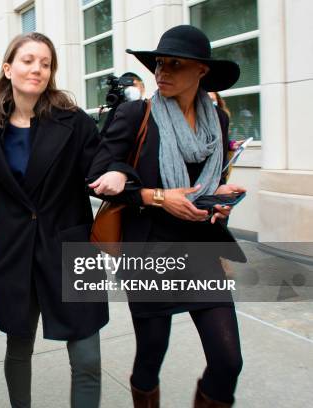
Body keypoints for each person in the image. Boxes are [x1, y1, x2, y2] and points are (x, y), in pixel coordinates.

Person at [88, 25, 246, 407]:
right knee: (151, 355)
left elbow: (207, 183)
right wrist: (158, 196)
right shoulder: (135, 114)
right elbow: (96, 174)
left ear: (201, 72)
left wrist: (218, 199)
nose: (162, 72)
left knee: (228, 361)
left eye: (175, 64)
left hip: (202, 250)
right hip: (150, 252)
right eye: (159, 63)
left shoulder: (217, 121)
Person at [0, 32, 110, 408]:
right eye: (28, 60)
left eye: (45, 63)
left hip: (69, 248)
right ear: (8, 68)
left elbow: (102, 163)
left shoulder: (74, 123)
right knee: (18, 348)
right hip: (15, 252)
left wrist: (116, 174)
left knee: (87, 358)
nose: (37, 68)